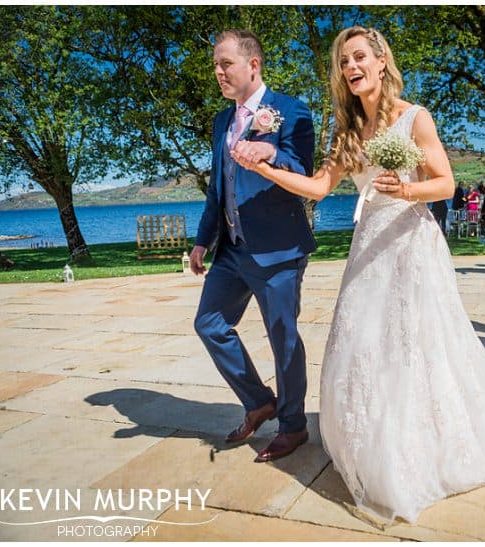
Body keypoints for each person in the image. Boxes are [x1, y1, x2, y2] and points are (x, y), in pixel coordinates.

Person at [232, 26, 485, 524]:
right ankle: (371, 439)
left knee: (418, 342)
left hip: (411, 242)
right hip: (369, 246)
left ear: (381, 61)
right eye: (344, 62)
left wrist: (404, 191)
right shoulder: (345, 130)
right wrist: (265, 171)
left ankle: (425, 441)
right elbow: (319, 187)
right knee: (363, 340)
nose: (351, 68)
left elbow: (445, 183)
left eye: (359, 57)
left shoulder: (414, 117)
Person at [191, 29, 316, 463]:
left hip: (278, 249)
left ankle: (293, 425)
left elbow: (304, 170)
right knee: (208, 323)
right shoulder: (221, 121)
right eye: (215, 66)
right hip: (232, 250)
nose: (219, 72)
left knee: (283, 338)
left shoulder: (291, 110)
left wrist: (271, 154)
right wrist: (202, 241)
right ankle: (261, 401)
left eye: (225, 64)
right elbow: (217, 189)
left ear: (253, 65)